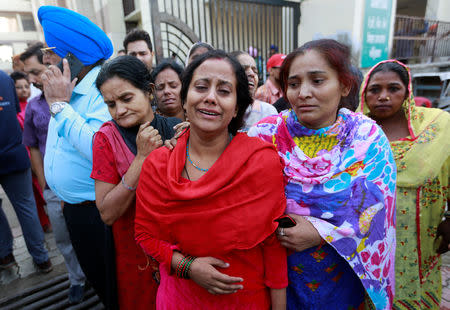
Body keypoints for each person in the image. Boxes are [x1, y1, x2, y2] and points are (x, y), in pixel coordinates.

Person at [248, 39, 397, 309]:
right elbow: (240, 198)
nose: (303, 92)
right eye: (293, 84)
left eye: (317, 81)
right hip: (277, 280)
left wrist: (321, 233)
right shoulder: (264, 135)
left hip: (342, 277)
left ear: (344, 85)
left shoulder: (367, 138)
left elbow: (378, 208)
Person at [135, 50, 288, 309]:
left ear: (237, 107)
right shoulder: (158, 164)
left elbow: (273, 244)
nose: (210, 98)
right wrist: (187, 267)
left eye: (224, 91)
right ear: (185, 99)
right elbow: (145, 234)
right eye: (201, 87)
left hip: (245, 299)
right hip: (181, 298)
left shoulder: (261, 162)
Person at [38, 5, 115, 307]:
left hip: (97, 213)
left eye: (49, 51)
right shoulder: (67, 87)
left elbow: (101, 151)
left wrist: (59, 106)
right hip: (75, 209)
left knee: (111, 285)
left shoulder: (101, 89)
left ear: (70, 56)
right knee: (97, 280)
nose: (44, 60)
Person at [359, 59, 450, 309]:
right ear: (363, 93)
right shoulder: (354, 132)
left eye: (393, 88)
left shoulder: (435, 128)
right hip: (369, 237)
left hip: (419, 234)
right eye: (374, 90)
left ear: (407, 91)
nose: (383, 97)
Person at [92, 55, 182, 310]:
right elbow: (107, 213)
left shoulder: (177, 128)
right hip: (136, 256)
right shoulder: (105, 139)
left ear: (149, 91)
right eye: (110, 104)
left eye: (126, 98)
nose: (119, 110)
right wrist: (142, 159)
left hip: (182, 249)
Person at [20, 41, 87, 304]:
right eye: (29, 73)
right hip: (52, 189)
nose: (33, 78)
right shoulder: (35, 106)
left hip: (82, 187)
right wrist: (46, 183)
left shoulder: (78, 97)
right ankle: (76, 279)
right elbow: (33, 147)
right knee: (63, 239)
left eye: (37, 71)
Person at [0, 70, 52, 274]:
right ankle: (42, 258)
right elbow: (12, 111)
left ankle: (5, 255)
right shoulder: (5, 79)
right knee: (26, 207)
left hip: (14, 153)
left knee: (25, 206)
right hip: (14, 151)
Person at [230, 51, 277, 132]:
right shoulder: (220, 110)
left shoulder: (268, 112)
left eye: (255, 71)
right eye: (244, 69)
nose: (252, 74)